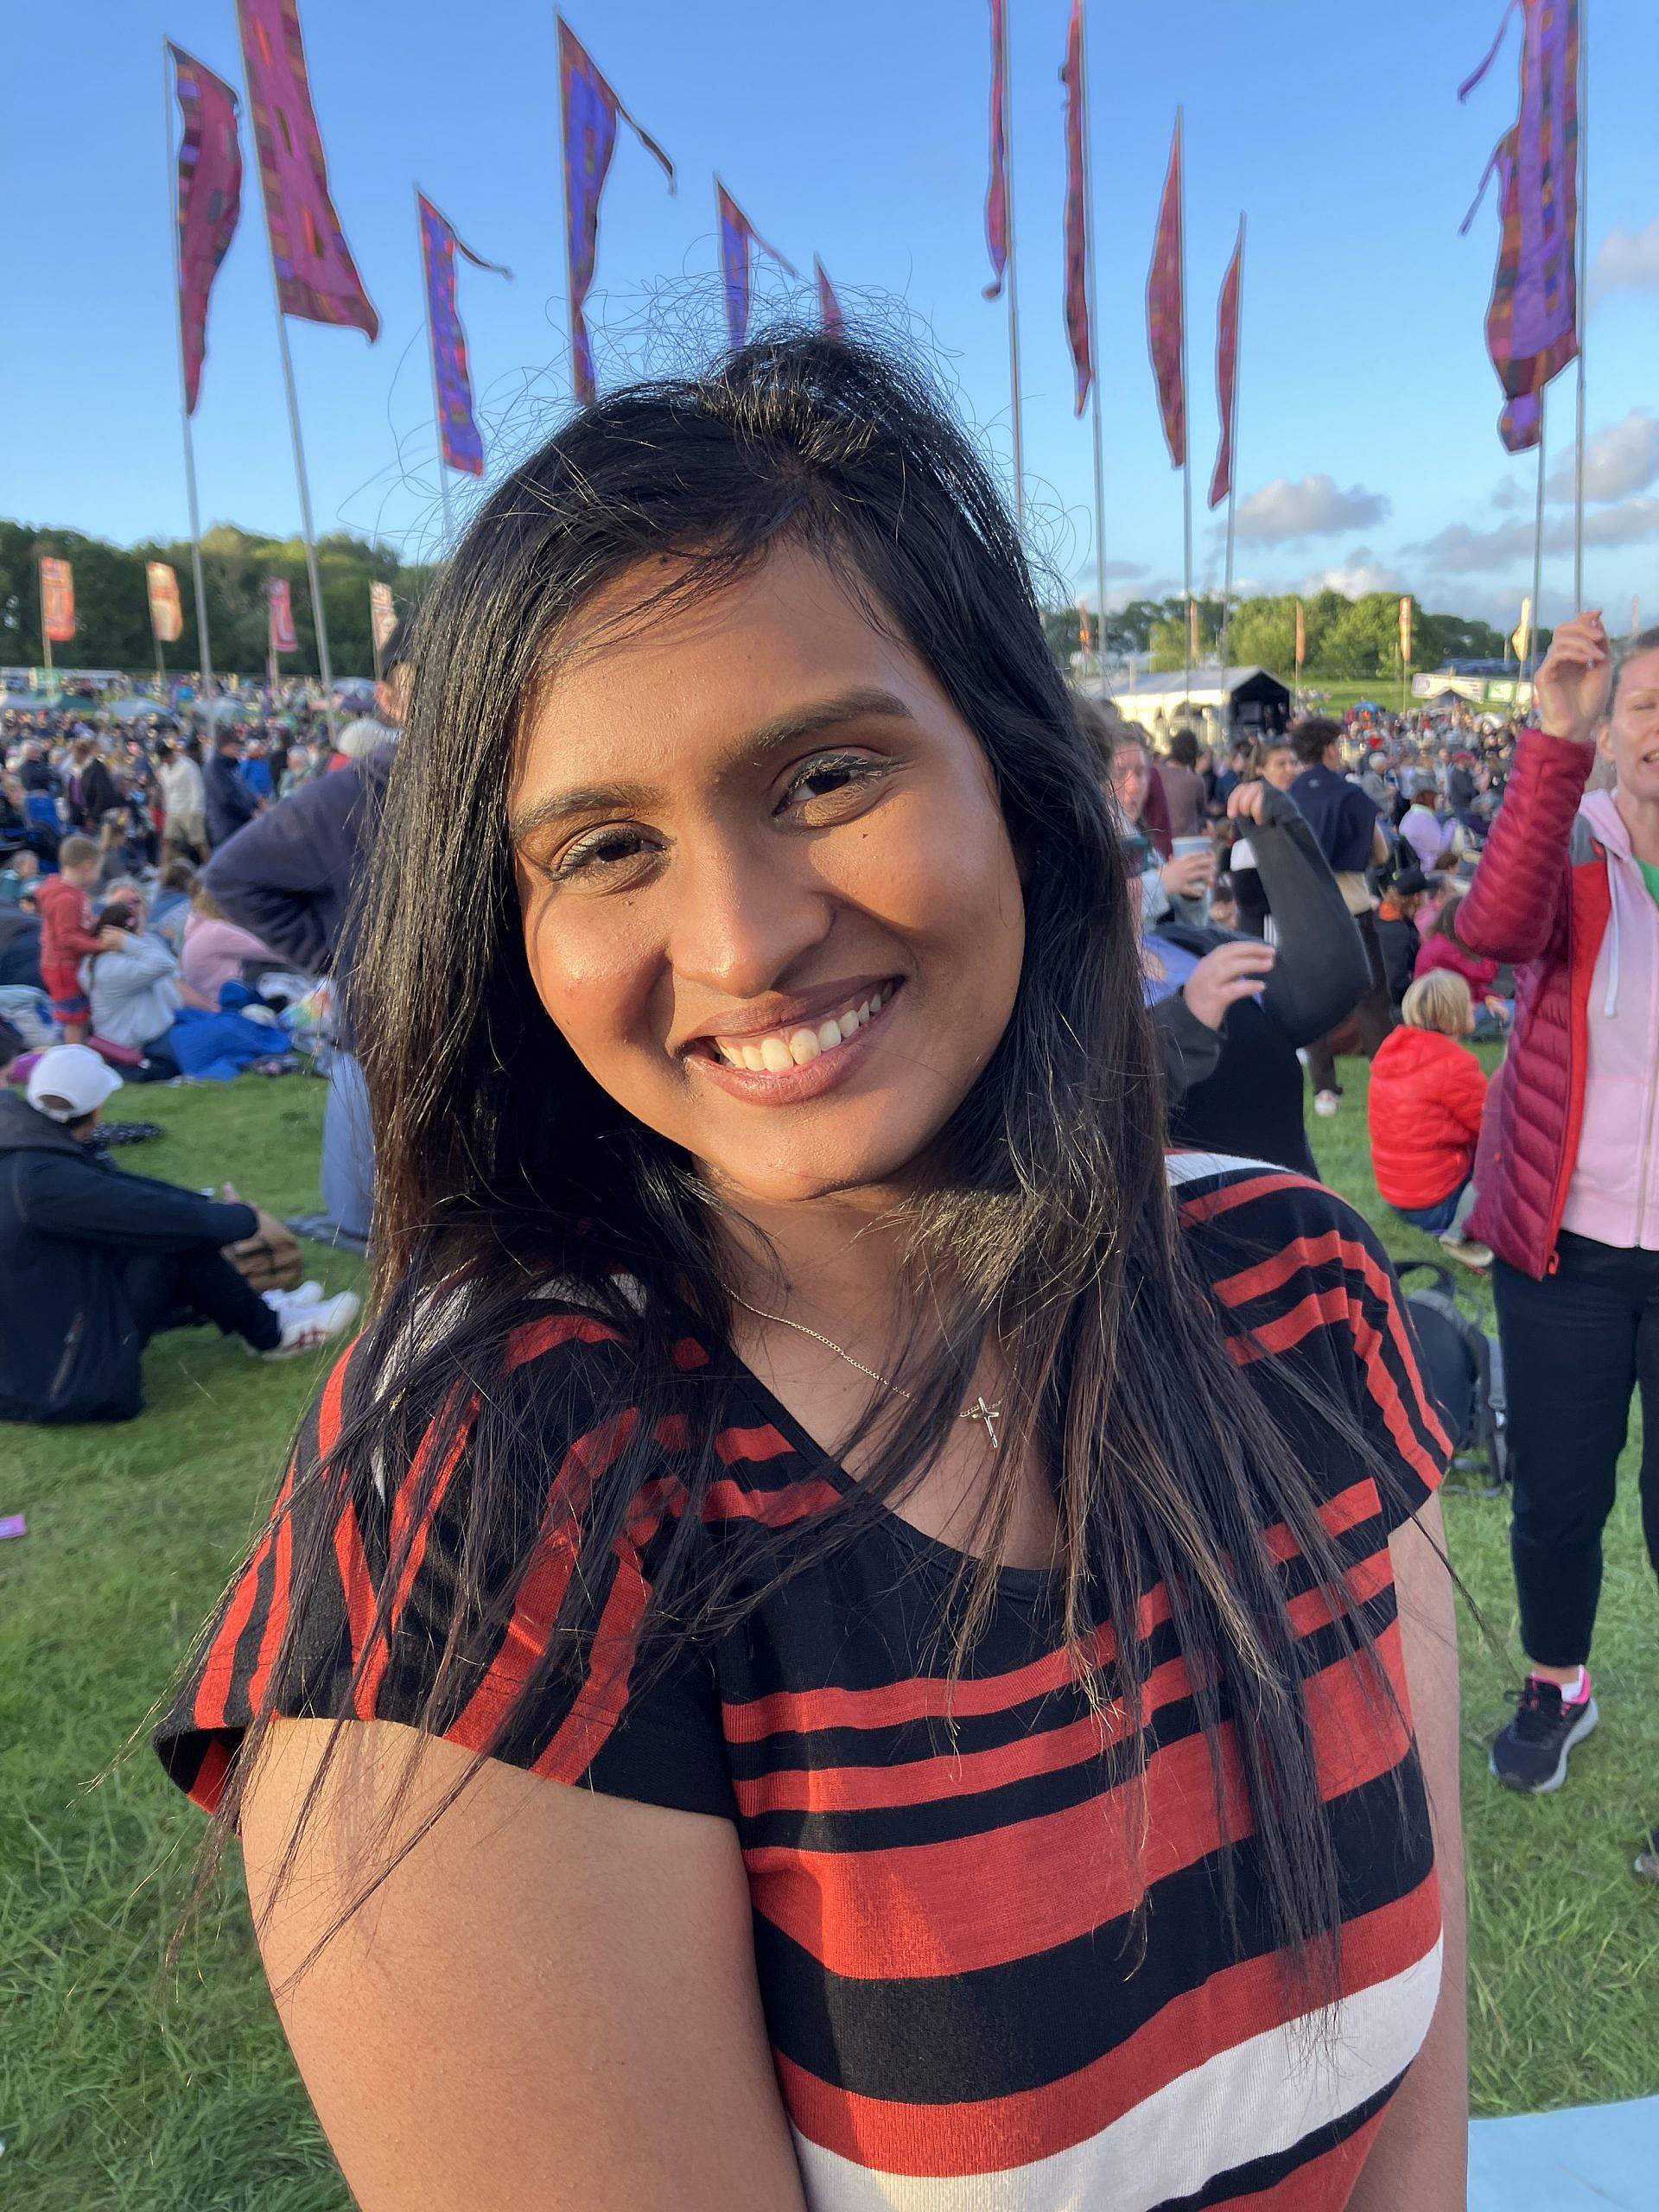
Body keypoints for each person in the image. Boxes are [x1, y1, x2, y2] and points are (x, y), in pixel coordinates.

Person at [154, 334, 1464, 2212]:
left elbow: (1413, 2138)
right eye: (608, 843)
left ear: (1015, 774)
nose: (745, 938)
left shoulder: (1301, 1295)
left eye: (828, 772)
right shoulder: (499, 1508)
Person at [1459, 611, 1659, 1801]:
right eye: (1648, 709)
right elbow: (1488, 931)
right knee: (1559, 1495)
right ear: (1617, 722)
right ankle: (1557, 1681)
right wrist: (1555, 739)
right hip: (1566, 1249)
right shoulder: (1572, 846)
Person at [0, 1044, 359, 1423]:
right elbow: (147, 1212)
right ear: (95, 1108)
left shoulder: (26, 1155)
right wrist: (238, 1219)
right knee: (173, 1240)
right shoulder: (45, 1184)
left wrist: (207, 1206)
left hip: (32, 1354)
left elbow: (123, 1190)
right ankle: (271, 1334)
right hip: (63, 1385)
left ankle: (264, 1316)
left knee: (167, 1230)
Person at [202, 620, 413, 1247]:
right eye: (430, 678)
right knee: (382, 1231)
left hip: (515, 1050)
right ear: (391, 699)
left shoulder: (517, 779)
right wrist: (340, 954)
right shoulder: (348, 799)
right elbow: (234, 878)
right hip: (388, 1042)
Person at [1289, 717, 1395, 1116]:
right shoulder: (1351, 796)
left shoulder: (1290, 796)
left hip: (1307, 910)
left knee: (1315, 1002)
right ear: (1331, 748)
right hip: (1351, 906)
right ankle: (1386, 1081)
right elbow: (1381, 853)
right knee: (1371, 1000)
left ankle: (1324, 1090)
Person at [1368, 973, 1491, 1269]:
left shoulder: (1392, 1054)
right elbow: (1492, 1129)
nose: (1474, 1006)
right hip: (1436, 1200)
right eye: (1468, 1002)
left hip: (1399, 1194)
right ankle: (1464, 1235)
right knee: (1511, 1159)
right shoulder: (1454, 1065)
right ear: (1453, 1014)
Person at [36, 833, 123, 1044]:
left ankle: (80, 1051)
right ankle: (75, 1054)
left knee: (80, 1014)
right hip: (62, 968)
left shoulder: (74, 893)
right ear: (87, 866)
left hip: (67, 965)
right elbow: (67, 937)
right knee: (74, 1018)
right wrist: (99, 946)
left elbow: (80, 924)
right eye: (97, 870)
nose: (97, 876)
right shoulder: (66, 898)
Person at [180, 887, 283, 1001]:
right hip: (231, 999)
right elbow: (273, 952)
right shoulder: (216, 931)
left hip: (212, 998)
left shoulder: (197, 929)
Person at [1376, 865, 1438, 1007]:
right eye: (1425, 894)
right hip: (1395, 1005)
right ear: (1417, 897)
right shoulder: (1397, 932)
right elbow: (1396, 981)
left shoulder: (1382, 913)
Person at [204, 732, 260, 849]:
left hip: (239, 827)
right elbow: (226, 798)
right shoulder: (216, 769)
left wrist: (256, 802)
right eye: (234, 747)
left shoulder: (231, 766)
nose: (237, 751)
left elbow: (243, 789)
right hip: (226, 828)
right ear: (224, 747)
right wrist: (249, 811)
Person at [157, 738, 207, 861]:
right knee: (167, 841)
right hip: (173, 811)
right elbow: (167, 791)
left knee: (199, 843)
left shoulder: (188, 766)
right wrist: (167, 809)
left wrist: (196, 810)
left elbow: (196, 788)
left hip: (190, 810)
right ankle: (164, 873)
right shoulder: (164, 770)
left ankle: (210, 868)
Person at [1155, 725, 1205, 837]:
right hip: (1187, 842)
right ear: (1194, 752)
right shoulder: (1196, 781)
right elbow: (1201, 811)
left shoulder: (1155, 773)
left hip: (1160, 840)